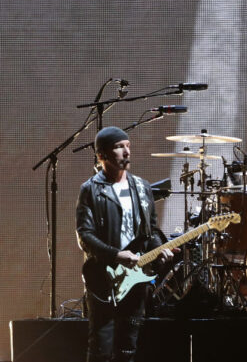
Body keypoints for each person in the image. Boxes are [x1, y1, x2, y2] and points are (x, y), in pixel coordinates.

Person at [76, 127, 173, 362]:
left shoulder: (142, 187)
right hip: (104, 277)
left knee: (128, 347)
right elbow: (85, 235)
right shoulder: (91, 189)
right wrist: (116, 255)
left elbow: (151, 231)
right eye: (119, 147)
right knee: (101, 346)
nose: (126, 152)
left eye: (128, 146)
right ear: (102, 156)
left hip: (136, 278)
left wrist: (161, 249)